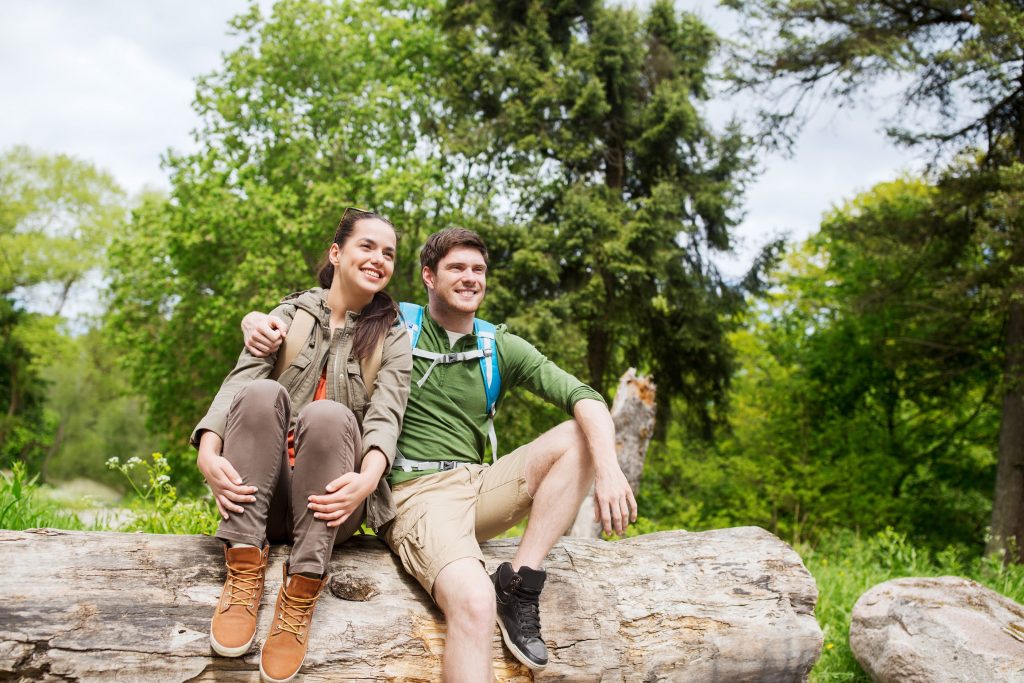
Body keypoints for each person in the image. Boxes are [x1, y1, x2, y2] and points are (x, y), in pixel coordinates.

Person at [242, 227, 637, 681]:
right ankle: (489, 596)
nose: (470, 278)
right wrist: (254, 319)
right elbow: (323, 303)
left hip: (479, 483)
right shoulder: (393, 322)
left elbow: (584, 394)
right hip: (416, 494)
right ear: (429, 276)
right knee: (472, 601)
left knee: (579, 433)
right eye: (457, 268)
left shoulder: (497, 345)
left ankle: (520, 582)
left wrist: (609, 469)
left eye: (478, 270)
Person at [193, 208, 412, 683]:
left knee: (329, 414)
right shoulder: (285, 317)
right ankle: (245, 568)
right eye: (367, 247)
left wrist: (367, 481)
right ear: (336, 253)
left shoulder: (393, 336)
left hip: (335, 507)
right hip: (262, 497)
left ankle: (303, 586)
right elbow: (236, 387)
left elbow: (386, 417)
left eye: (389, 254)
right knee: (260, 392)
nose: (379, 259)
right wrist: (208, 452)